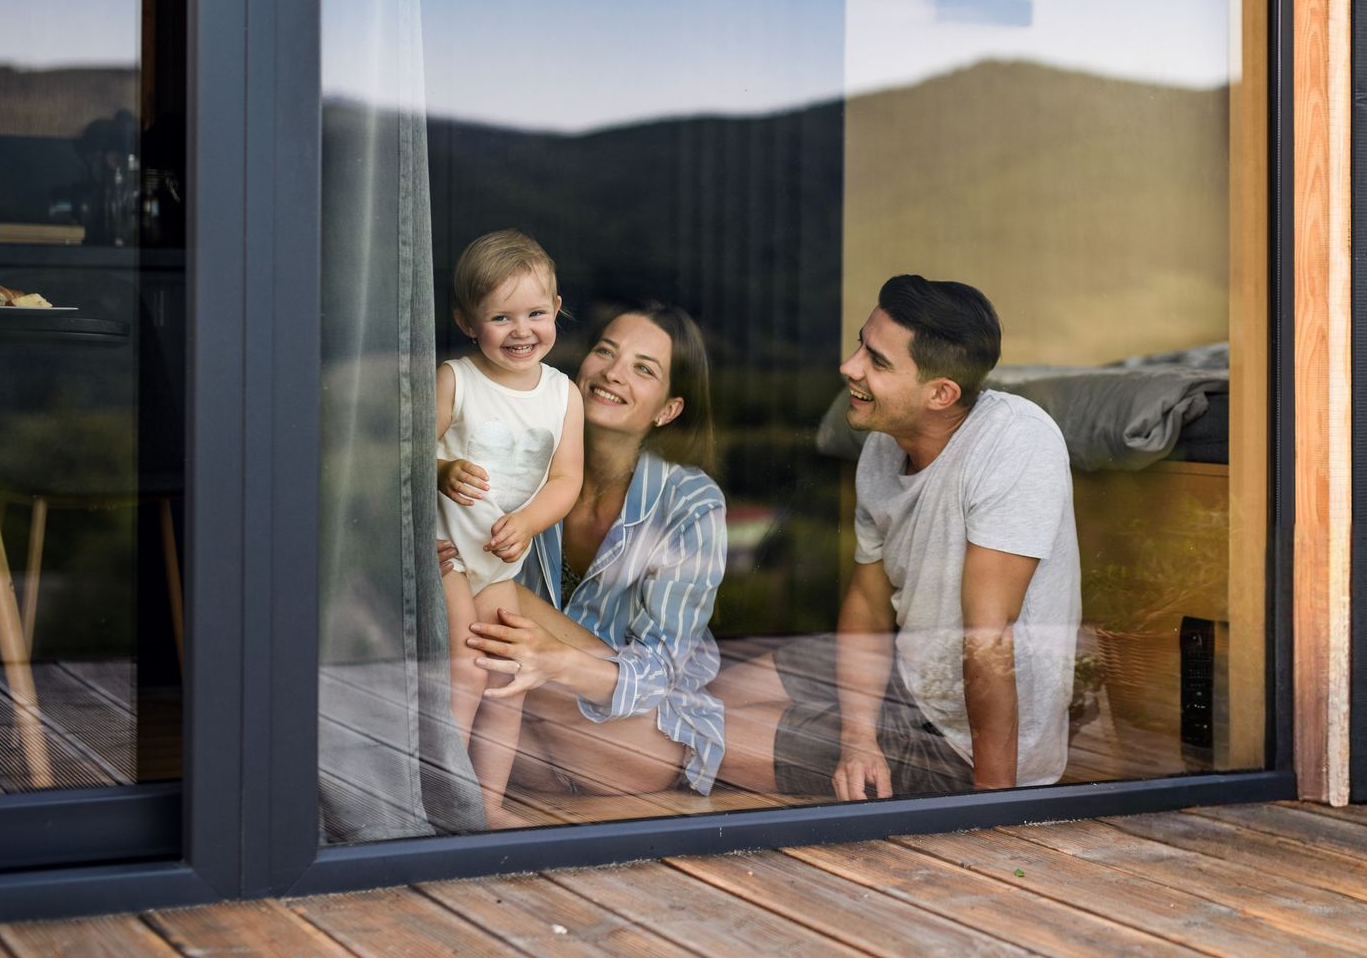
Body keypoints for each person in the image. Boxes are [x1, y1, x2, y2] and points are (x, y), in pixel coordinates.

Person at [713, 275, 1080, 799]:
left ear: (940, 394)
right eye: (861, 342)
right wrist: (859, 738)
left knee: (689, 737)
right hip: (906, 677)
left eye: (877, 361)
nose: (848, 366)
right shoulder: (884, 446)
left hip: (964, 746)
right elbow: (867, 601)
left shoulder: (1017, 443)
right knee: (711, 700)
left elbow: (988, 640)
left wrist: (993, 809)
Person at [450, 303, 726, 816]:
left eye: (644, 369)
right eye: (605, 351)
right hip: (523, 725)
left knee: (489, 591)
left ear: (667, 409)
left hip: (631, 738)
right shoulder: (520, 460)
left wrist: (554, 661)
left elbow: (660, 673)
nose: (613, 373)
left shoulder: (688, 502)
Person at [433, 229, 584, 828]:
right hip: (444, 554)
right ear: (468, 323)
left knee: (508, 678)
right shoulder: (457, 380)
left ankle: (487, 804)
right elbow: (399, 455)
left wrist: (526, 521)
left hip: (496, 561)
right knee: (465, 669)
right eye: (501, 317)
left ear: (556, 310)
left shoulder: (561, 394)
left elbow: (565, 481)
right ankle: (439, 800)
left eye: (536, 313)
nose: (522, 331)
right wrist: (442, 470)